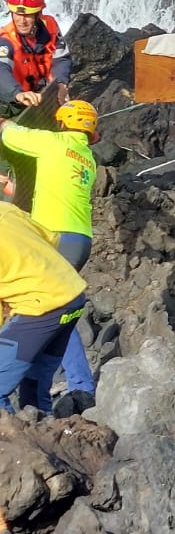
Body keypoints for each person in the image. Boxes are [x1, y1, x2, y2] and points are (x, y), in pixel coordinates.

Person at [0, 99, 99, 412]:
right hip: (79, 236)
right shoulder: (86, 157)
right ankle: (50, 395)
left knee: (47, 303)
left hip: (56, 234)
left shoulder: (53, 143)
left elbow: (10, 134)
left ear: (60, 123)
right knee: (56, 304)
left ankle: (81, 385)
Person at [0, 202, 88, 416]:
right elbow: (53, 240)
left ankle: (13, 446)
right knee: (35, 385)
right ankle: (43, 435)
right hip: (72, 295)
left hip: (42, 305)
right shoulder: (5, 209)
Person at [0, 0, 70, 109]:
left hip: (44, 94)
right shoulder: (5, 40)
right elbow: (1, 69)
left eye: (27, 15)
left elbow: (61, 58)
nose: (22, 21)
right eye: (18, 14)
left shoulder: (51, 26)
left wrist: (61, 82)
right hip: (13, 101)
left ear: (38, 14)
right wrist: (18, 93)